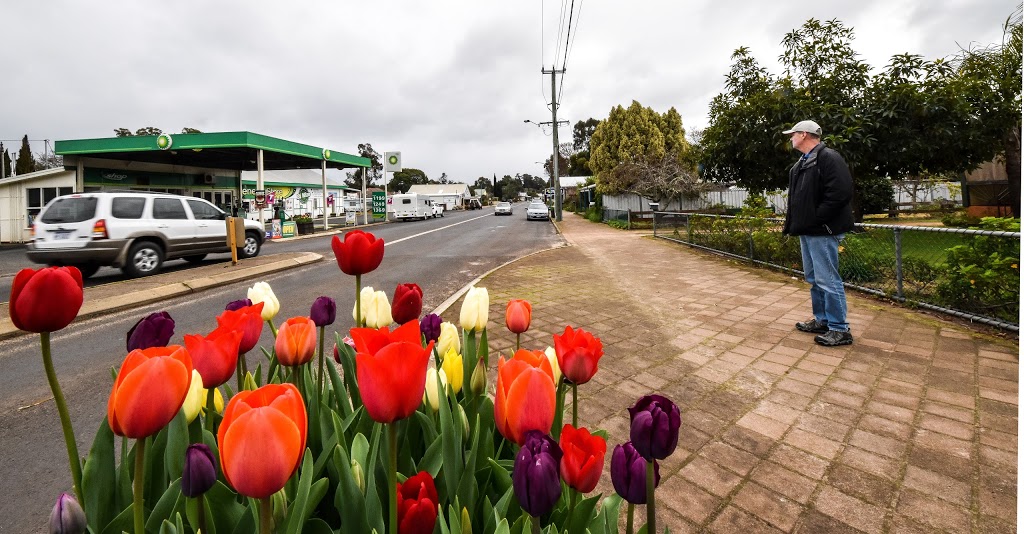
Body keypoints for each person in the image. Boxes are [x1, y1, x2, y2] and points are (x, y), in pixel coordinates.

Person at [782, 120, 855, 347]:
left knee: (828, 279)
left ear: (804, 134)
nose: (791, 138)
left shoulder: (828, 158)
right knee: (814, 278)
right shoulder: (803, 163)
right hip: (809, 230)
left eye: (793, 134)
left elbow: (840, 193)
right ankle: (822, 320)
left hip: (822, 230)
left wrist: (817, 218)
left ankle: (840, 329)